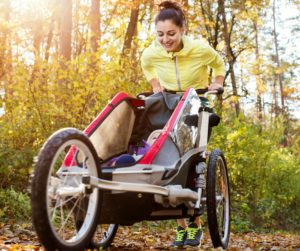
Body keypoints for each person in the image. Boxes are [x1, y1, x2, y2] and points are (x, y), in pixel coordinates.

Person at [140, 1, 225, 248]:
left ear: (182, 30)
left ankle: (196, 224)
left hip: (196, 102)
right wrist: (156, 85)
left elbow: (218, 63)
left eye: (171, 34)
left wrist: (217, 83)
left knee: (192, 162)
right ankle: (181, 228)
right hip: (170, 103)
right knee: (169, 160)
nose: (165, 39)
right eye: (160, 34)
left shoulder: (199, 49)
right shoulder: (151, 52)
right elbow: (147, 66)